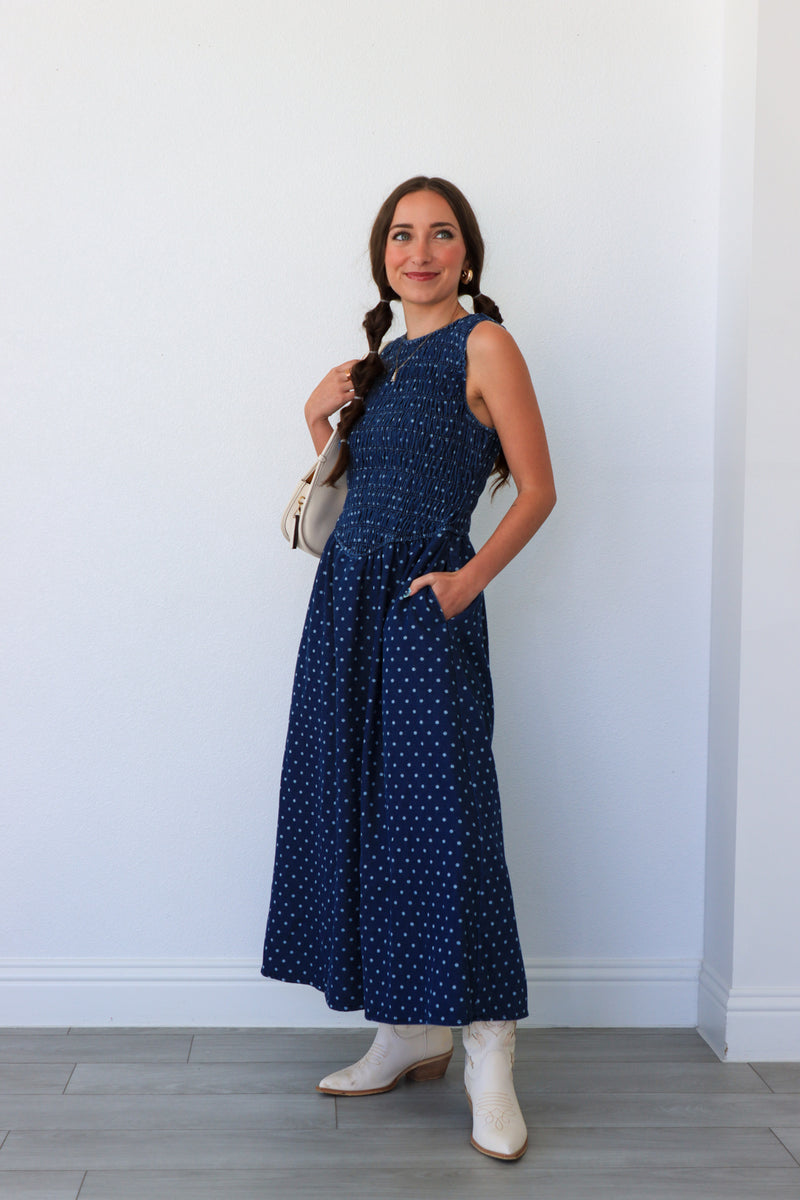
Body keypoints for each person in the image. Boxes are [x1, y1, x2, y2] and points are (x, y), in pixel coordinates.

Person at [262, 176, 556, 1161]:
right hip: (342, 608)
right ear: (381, 254)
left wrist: (467, 581)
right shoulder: (377, 364)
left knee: (444, 822)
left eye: (438, 235)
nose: (417, 251)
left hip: (422, 613)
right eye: (400, 235)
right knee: (359, 811)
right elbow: (349, 495)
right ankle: (406, 1027)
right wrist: (317, 420)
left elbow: (538, 487)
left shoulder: (485, 345)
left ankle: (487, 1048)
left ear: (465, 254)